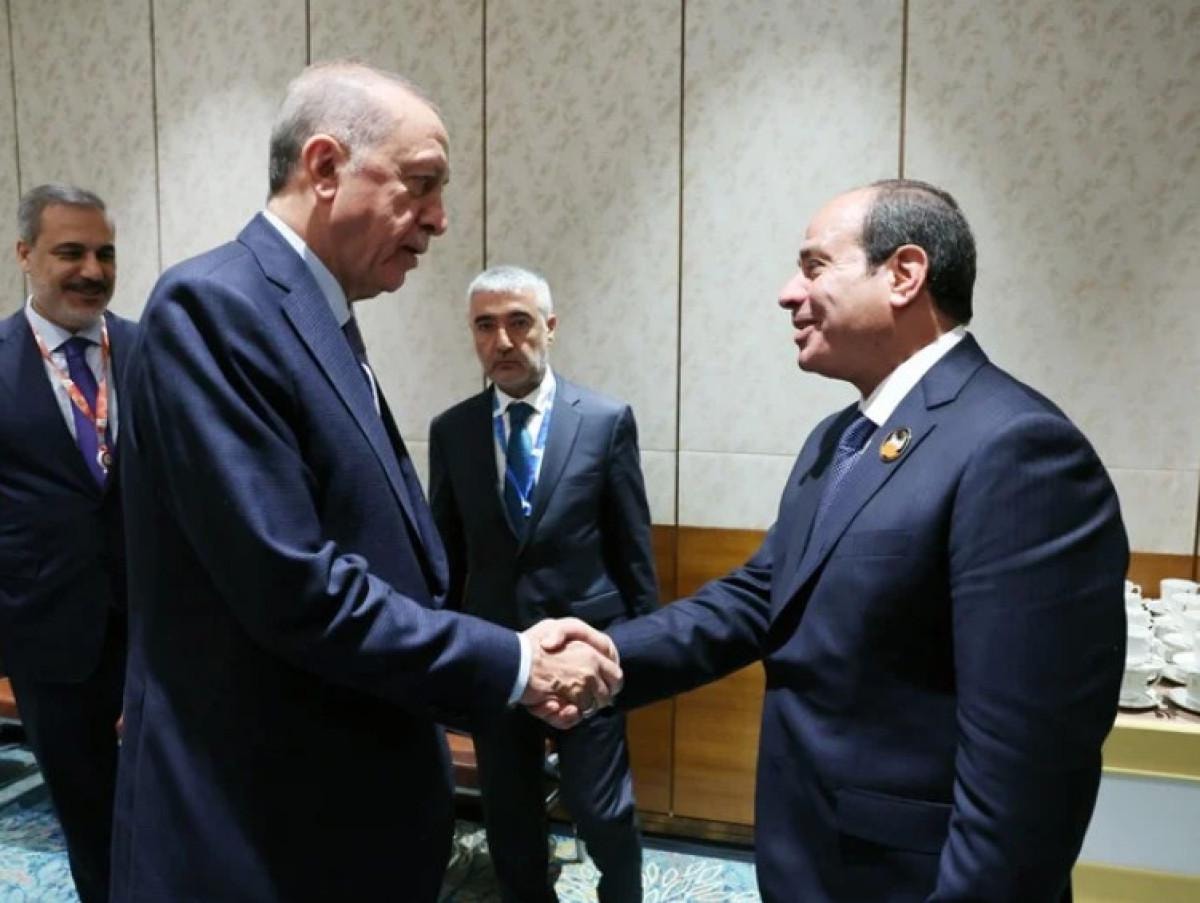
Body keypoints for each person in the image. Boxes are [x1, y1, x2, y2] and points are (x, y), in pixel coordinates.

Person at [112, 61, 619, 903]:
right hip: (261, 823)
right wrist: (511, 662)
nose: (440, 219)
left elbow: (387, 554)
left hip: (343, 812)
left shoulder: (317, 314)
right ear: (324, 167)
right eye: (421, 184)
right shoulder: (214, 307)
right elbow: (294, 586)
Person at [597, 180, 1127, 901]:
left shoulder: (1018, 449)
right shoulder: (840, 436)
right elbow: (761, 596)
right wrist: (606, 659)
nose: (788, 293)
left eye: (814, 266)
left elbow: (1027, 772)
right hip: (813, 855)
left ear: (904, 274)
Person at [429, 265, 657, 902]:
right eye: (485, 326)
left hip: (590, 654)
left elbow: (633, 550)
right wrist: (443, 658)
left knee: (602, 809)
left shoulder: (605, 420)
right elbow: (445, 556)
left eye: (518, 322)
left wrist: (644, 654)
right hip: (498, 654)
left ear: (549, 328)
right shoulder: (453, 431)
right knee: (510, 816)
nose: (502, 341)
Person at [0, 184, 134, 903]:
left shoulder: (152, 350)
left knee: (176, 809)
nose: (92, 270)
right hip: (48, 640)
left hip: (160, 636)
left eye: (104, 253)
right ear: (25, 254)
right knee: (90, 822)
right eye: (71, 252)